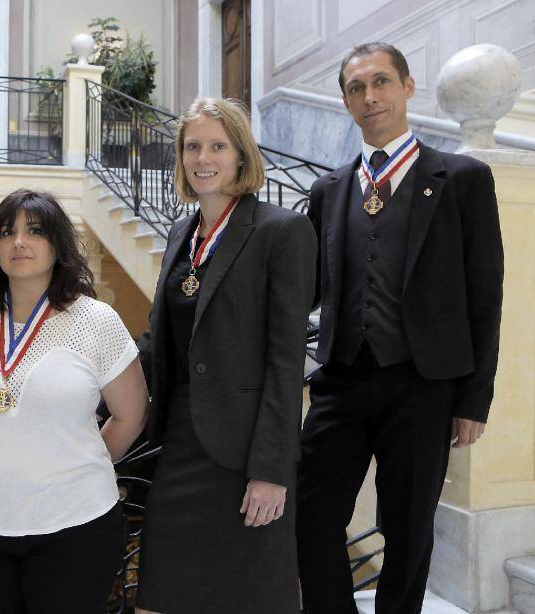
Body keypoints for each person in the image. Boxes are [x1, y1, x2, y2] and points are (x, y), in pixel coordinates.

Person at [297, 43, 504, 614]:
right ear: (345, 100)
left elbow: (485, 296)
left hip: (424, 385)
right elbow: (305, 288)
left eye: (381, 82)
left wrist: (473, 399)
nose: (371, 97)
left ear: (408, 88)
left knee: (409, 530)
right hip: (341, 380)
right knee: (310, 516)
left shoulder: (461, 178)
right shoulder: (329, 190)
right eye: (357, 88)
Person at [134, 98, 317, 614]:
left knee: (250, 596)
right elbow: (157, 341)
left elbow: (286, 361)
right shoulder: (179, 233)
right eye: (192, 146)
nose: (203, 157)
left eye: (218, 145)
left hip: (246, 453)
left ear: (241, 156)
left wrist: (272, 470)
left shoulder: (281, 231)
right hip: (180, 444)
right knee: (161, 593)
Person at [0, 189, 148, 614]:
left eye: (34, 231)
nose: (18, 242)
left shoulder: (95, 320)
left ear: (58, 244)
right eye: (6, 232)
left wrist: (74, 462)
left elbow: (131, 414)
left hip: (76, 526)